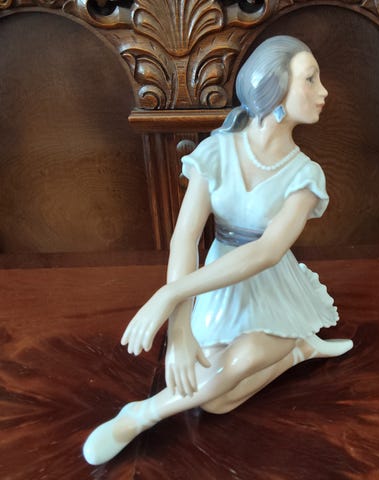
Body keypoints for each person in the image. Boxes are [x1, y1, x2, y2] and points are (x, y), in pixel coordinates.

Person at [83, 35, 353, 466]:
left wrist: (170, 293)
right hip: (217, 281)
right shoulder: (216, 152)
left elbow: (267, 252)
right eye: (310, 79)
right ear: (275, 87)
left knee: (242, 359)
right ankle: (299, 351)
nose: (323, 92)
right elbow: (185, 239)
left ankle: (141, 416)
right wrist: (180, 329)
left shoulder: (305, 176)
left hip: (271, 286)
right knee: (216, 401)